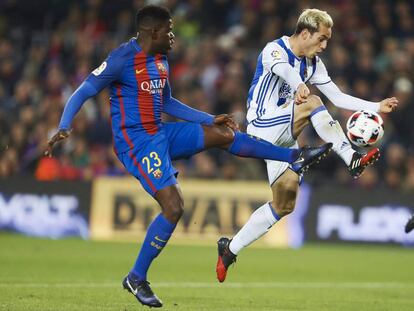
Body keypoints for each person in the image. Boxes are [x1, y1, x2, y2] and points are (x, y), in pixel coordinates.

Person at [45, 5, 332, 308]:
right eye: (168, 30)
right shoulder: (121, 59)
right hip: (137, 144)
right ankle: (136, 277)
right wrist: (64, 126)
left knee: (223, 134)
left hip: (160, 132)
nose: (172, 35)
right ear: (152, 32)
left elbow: (167, 101)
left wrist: (209, 119)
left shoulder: (160, 60)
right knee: (173, 206)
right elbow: (83, 91)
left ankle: (294, 155)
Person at [216, 8, 398, 282]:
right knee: (311, 101)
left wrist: (377, 106)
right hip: (261, 128)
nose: (324, 45)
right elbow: (285, 71)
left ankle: (229, 249)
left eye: (327, 40)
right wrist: (300, 85)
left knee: (284, 204)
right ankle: (349, 157)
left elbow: (337, 97)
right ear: (304, 33)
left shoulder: (313, 64)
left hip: (284, 139)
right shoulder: (274, 49)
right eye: (321, 39)